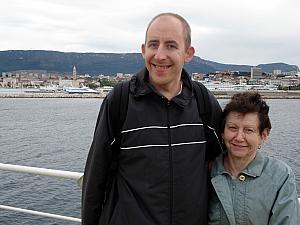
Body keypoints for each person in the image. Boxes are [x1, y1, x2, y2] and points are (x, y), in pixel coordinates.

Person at [82, 12, 223, 225]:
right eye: (153, 44)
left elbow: (227, 161)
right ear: (143, 50)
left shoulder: (201, 101)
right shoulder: (120, 101)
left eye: (171, 46)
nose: (159, 55)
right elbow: (95, 177)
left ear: (188, 53)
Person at [208, 92, 300, 225]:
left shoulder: (280, 176)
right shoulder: (207, 171)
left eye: (248, 130)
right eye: (233, 128)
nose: (239, 137)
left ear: (263, 135)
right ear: (222, 132)